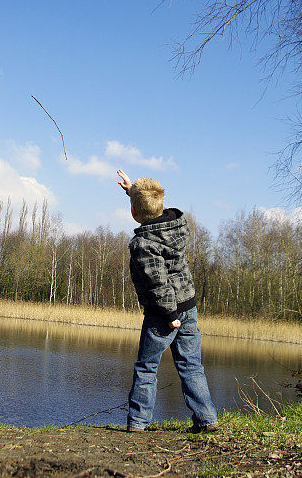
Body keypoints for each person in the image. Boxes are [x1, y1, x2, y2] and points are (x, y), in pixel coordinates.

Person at [117, 169, 218, 433]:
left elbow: (158, 283)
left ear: (133, 214)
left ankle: (139, 423)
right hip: (189, 307)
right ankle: (206, 418)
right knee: (191, 365)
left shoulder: (143, 244)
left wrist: (169, 314)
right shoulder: (178, 226)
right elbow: (154, 211)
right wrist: (133, 192)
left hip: (164, 314)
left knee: (147, 367)